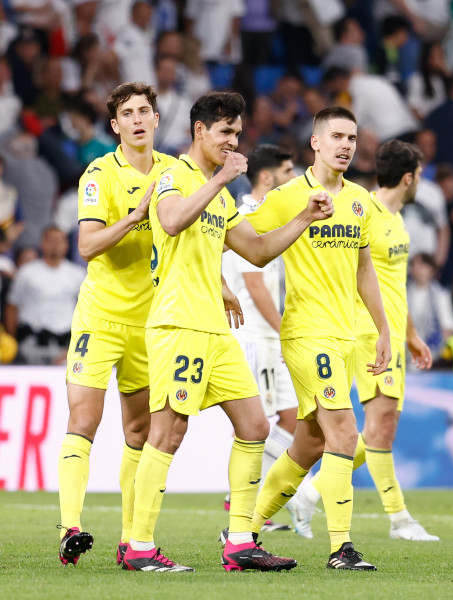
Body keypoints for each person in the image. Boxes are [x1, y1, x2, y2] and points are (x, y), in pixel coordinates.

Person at [123, 92, 334, 573]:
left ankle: (240, 542)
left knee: (256, 427)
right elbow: (173, 222)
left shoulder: (217, 195)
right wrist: (222, 176)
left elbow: (257, 251)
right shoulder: (171, 175)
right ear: (200, 131)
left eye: (238, 133)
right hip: (178, 324)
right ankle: (138, 546)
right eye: (225, 133)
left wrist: (303, 217)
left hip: (214, 330)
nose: (234, 143)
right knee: (168, 432)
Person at [244, 106, 392, 571]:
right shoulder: (289, 196)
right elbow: (243, 237)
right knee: (346, 432)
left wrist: (383, 328)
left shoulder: (361, 201)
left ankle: (241, 531)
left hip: (346, 335)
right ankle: (341, 548)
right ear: (316, 143)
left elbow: (365, 271)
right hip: (307, 333)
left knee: (309, 444)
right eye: (337, 137)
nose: (346, 145)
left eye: (352, 137)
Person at [56, 82, 180, 567]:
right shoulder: (99, 174)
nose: (137, 119)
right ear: (115, 126)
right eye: (127, 113)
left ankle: (131, 541)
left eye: (144, 111)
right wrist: (134, 217)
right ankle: (70, 528)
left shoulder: (175, 171)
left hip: (151, 323)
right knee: (84, 420)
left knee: (138, 432)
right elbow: (86, 246)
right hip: (101, 318)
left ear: (155, 119)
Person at [290, 140, 437, 541]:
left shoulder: (398, 218)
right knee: (382, 427)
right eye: (419, 175)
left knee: (377, 431)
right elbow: (354, 274)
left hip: (390, 332)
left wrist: (410, 334)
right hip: (366, 331)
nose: (419, 181)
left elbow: (392, 285)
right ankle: (400, 519)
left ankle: (310, 492)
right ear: (408, 177)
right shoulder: (364, 209)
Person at [221, 144, 298, 531]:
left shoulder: (268, 215)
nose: (294, 178)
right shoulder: (245, 217)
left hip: (269, 336)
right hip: (252, 334)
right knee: (256, 424)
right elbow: (254, 284)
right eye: (287, 171)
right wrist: (286, 330)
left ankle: (254, 503)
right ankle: (241, 501)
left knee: (292, 418)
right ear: (266, 177)